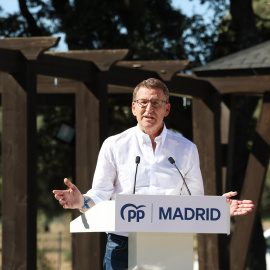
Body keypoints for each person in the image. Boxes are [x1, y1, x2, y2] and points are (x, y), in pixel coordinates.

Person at [53, 78, 254, 270]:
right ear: (133, 108)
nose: (149, 109)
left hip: (170, 246)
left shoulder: (186, 149)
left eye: (156, 103)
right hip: (123, 246)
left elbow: (194, 201)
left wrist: (217, 209)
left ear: (167, 109)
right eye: (143, 102)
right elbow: (100, 194)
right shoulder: (114, 145)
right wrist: (81, 201)